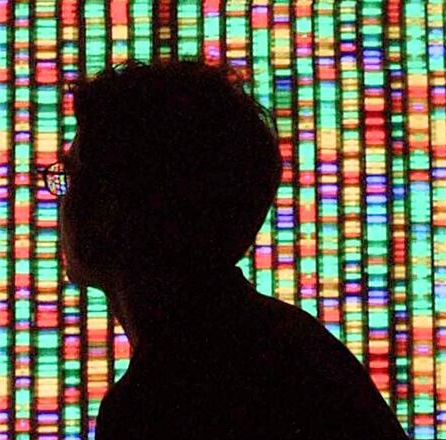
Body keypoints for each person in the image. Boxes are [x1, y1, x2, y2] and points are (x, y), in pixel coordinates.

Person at [39, 58, 410, 439]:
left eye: (70, 175)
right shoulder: (295, 347)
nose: (61, 198)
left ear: (113, 203)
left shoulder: (161, 402)